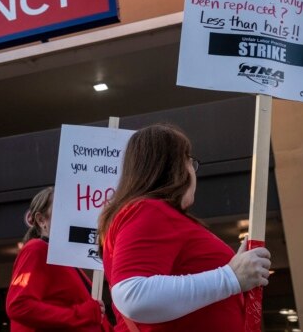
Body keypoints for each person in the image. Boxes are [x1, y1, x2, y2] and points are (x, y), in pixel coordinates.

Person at [98, 124, 272, 332]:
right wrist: (230, 277)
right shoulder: (149, 210)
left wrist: (236, 273)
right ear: (176, 166)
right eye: (190, 162)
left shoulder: (146, 213)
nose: (193, 172)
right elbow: (132, 295)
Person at [6, 187, 113, 331]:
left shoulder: (62, 258)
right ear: (41, 219)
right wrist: (81, 314)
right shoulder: (36, 249)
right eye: (61, 207)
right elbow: (18, 305)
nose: (68, 213)